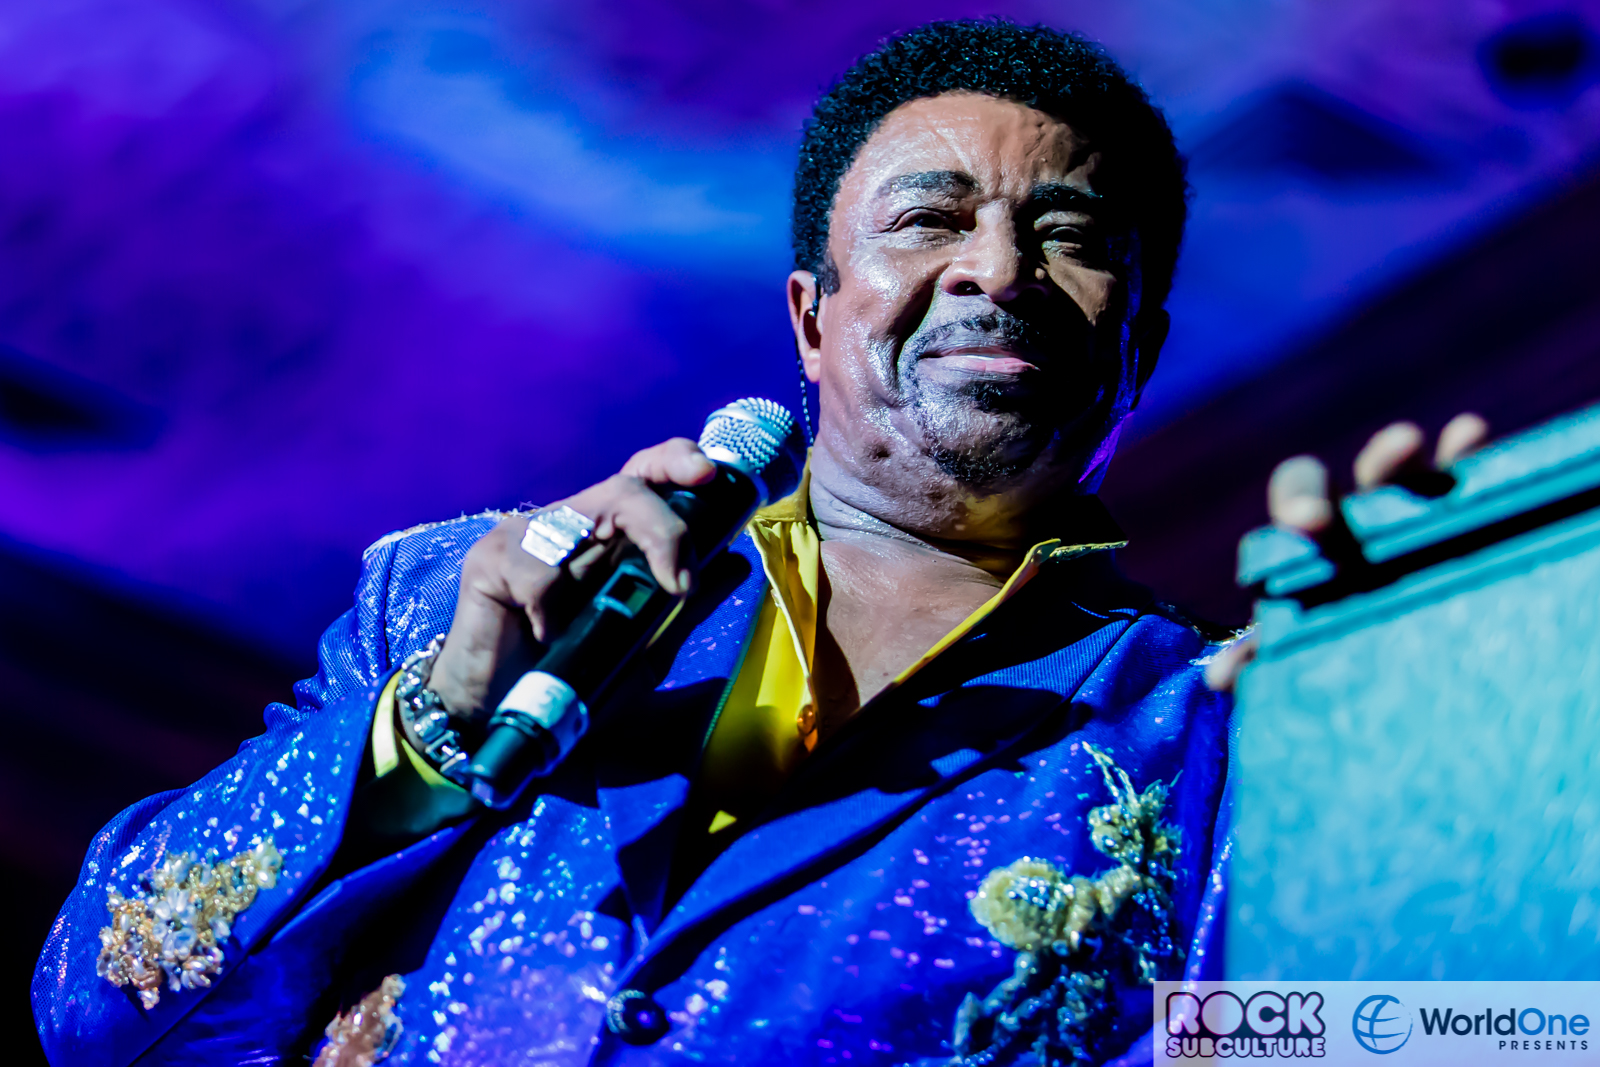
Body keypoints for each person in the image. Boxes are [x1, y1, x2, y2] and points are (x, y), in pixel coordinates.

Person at [31, 19, 1485, 1067]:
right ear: (811, 317)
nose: (996, 269)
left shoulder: (1222, 732)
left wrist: (1462, 727)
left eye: (1070, 236)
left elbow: (1477, 1034)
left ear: (1138, 351)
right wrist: (439, 726)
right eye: (930, 220)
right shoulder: (462, 602)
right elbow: (95, 1013)